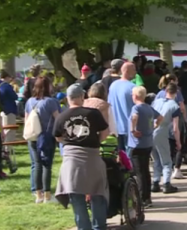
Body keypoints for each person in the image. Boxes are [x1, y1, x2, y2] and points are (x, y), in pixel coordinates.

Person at [54, 84, 110, 230]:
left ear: (68, 98)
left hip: (71, 161)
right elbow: (105, 132)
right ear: (82, 97)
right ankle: (99, 227)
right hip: (92, 157)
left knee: (76, 197)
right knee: (97, 193)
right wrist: (95, 142)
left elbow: (58, 137)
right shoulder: (93, 113)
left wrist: (70, 142)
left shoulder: (61, 116)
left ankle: (84, 228)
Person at [24, 77, 60, 203]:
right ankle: (47, 195)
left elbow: (26, 119)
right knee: (47, 165)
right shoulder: (51, 102)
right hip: (46, 136)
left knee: (37, 164)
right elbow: (58, 119)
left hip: (33, 136)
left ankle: (38, 194)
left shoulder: (29, 102)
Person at [128, 86, 160, 207]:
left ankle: (141, 198)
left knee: (139, 171)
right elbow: (160, 117)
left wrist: (133, 130)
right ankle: (147, 197)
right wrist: (154, 127)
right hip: (148, 142)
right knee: (145, 170)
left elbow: (134, 117)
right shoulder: (149, 108)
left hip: (137, 143)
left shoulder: (136, 107)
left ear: (135, 96)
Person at [151, 83, 179, 194]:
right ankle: (167, 183)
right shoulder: (174, 106)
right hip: (162, 131)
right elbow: (175, 128)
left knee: (156, 159)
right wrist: (178, 141)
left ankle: (155, 182)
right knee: (166, 160)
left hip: (151, 131)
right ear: (175, 93)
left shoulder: (156, 102)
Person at [108, 62, 136, 152]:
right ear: (127, 71)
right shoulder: (133, 87)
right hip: (129, 127)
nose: (136, 72)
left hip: (115, 126)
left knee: (120, 155)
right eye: (134, 70)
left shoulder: (113, 85)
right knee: (130, 155)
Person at [0, 70, 19, 143]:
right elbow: (14, 96)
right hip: (9, 110)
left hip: (2, 110)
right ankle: (7, 149)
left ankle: (4, 148)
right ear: (7, 77)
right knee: (10, 130)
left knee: (4, 129)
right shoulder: (6, 86)